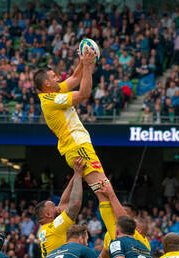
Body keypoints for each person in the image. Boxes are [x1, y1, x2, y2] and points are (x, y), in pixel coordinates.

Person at [33, 48, 126, 241]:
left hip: (77, 147)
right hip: (78, 147)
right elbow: (83, 93)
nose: (58, 78)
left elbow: (76, 77)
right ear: (47, 84)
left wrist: (83, 61)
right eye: (54, 77)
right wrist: (89, 66)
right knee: (104, 190)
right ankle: (117, 239)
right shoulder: (50, 99)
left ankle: (113, 237)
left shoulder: (53, 92)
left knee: (103, 192)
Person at [35, 158, 88, 258]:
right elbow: (74, 205)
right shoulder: (55, 228)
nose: (58, 208)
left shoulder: (46, 229)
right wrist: (78, 176)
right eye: (54, 207)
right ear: (47, 214)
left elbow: (63, 203)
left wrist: (74, 175)